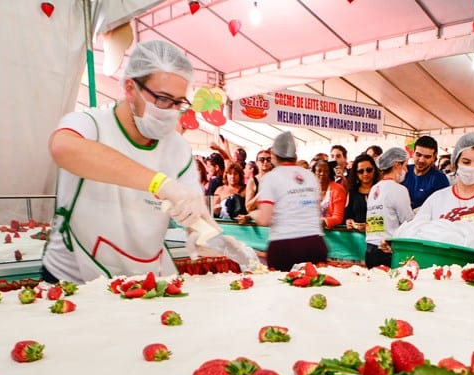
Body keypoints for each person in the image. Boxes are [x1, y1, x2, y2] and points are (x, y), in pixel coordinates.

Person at [43, 40, 212, 283]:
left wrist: (205, 234)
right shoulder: (92, 124)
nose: (171, 111)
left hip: (144, 276)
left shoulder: (178, 148)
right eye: (163, 99)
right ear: (130, 88)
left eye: (178, 103)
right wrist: (159, 183)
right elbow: (63, 147)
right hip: (74, 277)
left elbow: (192, 210)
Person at [398, 133, 474, 271]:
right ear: (455, 163)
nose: (472, 167)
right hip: (441, 277)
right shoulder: (437, 199)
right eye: (466, 162)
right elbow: (416, 233)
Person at [241, 131, 326, 271]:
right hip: (315, 243)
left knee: (283, 290)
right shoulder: (310, 176)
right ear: (295, 155)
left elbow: (265, 219)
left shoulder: (271, 178)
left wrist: (252, 214)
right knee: (315, 288)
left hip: (286, 245)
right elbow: (315, 211)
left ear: (274, 155)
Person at [364, 147, 413, 268]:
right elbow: (408, 222)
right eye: (405, 166)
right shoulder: (399, 189)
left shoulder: (374, 188)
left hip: (370, 249)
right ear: (397, 164)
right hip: (388, 251)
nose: (406, 170)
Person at [401, 135, 450, 210]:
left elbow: (440, 208)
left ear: (434, 157)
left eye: (427, 157)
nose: (421, 160)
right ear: (413, 153)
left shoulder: (440, 179)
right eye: (418, 155)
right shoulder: (404, 170)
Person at [344, 153, 379, 232]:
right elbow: (348, 215)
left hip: (379, 238)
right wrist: (349, 222)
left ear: (374, 170)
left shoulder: (381, 189)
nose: (365, 174)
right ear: (356, 173)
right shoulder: (352, 192)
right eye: (361, 171)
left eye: (369, 170)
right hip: (357, 239)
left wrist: (369, 227)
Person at [313, 159, 347, 229]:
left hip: (332, 233)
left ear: (330, 173)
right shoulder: (309, 190)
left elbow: (338, 218)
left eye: (325, 171)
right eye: (319, 171)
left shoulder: (338, 190)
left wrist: (322, 222)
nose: (322, 173)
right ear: (314, 173)